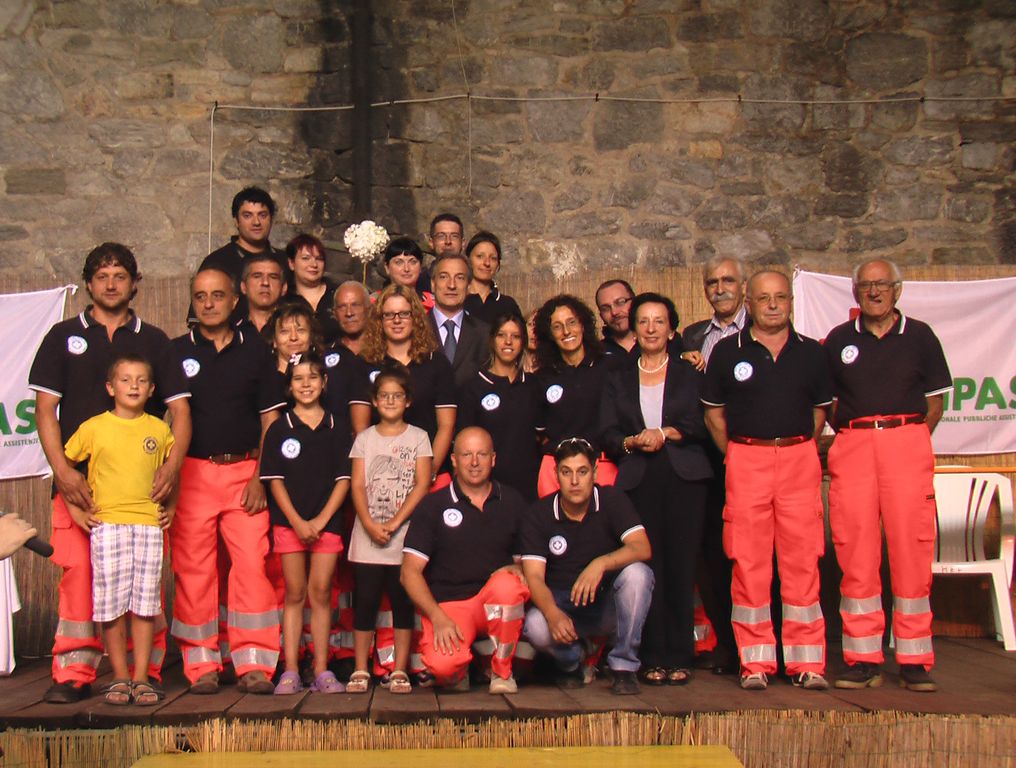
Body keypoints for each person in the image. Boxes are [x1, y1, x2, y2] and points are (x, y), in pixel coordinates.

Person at [29, 242, 191, 704]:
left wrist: (172, 471)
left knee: (143, 587)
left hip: (138, 494)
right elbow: (45, 410)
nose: (111, 284)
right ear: (88, 283)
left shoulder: (154, 340)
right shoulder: (62, 336)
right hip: (80, 489)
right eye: (102, 276)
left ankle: (145, 673)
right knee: (80, 577)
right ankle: (75, 672)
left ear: (134, 283)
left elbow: (181, 413)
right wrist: (63, 474)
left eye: (120, 275)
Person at [824, 259, 952, 693]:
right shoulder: (839, 339)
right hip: (855, 445)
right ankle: (863, 658)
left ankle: (914, 659)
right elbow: (830, 403)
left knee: (911, 550)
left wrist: (905, 436)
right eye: (866, 285)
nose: (874, 292)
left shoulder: (920, 336)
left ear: (897, 290)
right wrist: (860, 434)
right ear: (855, 292)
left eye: (882, 285)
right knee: (855, 550)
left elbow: (934, 403)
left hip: (906, 443)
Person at [702, 270, 832, 692]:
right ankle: (754, 662)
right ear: (749, 304)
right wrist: (738, 454)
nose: (773, 305)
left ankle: (806, 662)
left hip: (797, 458)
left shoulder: (812, 353)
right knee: (748, 562)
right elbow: (713, 416)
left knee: (802, 562)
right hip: (746, 459)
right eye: (763, 298)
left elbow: (819, 413)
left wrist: (793, 447)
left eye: (780, 297)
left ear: (790, 301)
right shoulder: (726, 352)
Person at [170, 267, 285, 695]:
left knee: (252, 567)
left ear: (235, 300)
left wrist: (259, 477)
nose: (209, 303)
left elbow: (271, 421)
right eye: (200, 296)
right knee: (194, 570)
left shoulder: (256, 351)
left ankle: (254, 662)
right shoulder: (174, 352)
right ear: (192, 301)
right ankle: (201, 663)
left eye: (217, 295)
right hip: (193, 474)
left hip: (244, 474)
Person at [600, 293, 713, 686]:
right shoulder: (616, 376)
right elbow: (607, 432)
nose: (650, 329)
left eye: (658, 321)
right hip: (638, 477)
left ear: (671, 329)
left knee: (681, 565)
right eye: (643, 321)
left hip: (685, 479)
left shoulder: (689, 372)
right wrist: (631, 441)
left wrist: (665, 432)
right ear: (634, 328)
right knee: (646, 566)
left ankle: (680, 655)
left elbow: (701, 424)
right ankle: (649, 655)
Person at [62, 354, 175, 706]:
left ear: (152, 389)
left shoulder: (160, 430)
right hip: (107, 524)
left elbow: (172, 474)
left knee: (144, 605)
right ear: (111, 388)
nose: (134, 386)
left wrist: (170, 508)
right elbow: (64, 470)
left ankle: (141, 677)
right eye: (125, 380)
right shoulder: (93, 428)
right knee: (111, 606)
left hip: (148, 525)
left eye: (141, 380)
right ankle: (120, 677)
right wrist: (75, 510)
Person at [401, 427, 530, 694]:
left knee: (509, 585)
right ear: (454, 460)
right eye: (466, 454)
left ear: (493, 459)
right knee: (443, 667)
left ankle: (502, 672)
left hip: (494, 602)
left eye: (481, 454)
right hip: (451, 607)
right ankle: (465, 666)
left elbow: (531, 566)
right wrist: (437, 616)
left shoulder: (513, 501)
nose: (474, 462)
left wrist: (517, 568)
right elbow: (409, 573)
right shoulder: (432, 505)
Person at [521, 438, 653, 695]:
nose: (574, 481)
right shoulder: (539, 513)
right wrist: (552, 613)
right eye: (566, 472)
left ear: (594, 472)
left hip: (605, 605)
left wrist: (600, 563)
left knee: (639, 574)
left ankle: (623, 667)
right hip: (563, 604)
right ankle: (574, 661)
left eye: (582, 472)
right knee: (535, 625)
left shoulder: (612, 499)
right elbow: (534, 577)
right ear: (556, 474)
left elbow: (642, 547)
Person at [260, 352, 351, 695]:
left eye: (313, 377)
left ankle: (323, 669)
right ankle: (291, 670)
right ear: (289, 386)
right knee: (295, 593)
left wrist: (321, 520)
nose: (306, 384)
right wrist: (298, 522)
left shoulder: (338, 426)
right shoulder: (279, 428)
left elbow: (344, 479)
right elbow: (274, 481)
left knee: (321, 592)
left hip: (328, 523)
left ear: (324, 382)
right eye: (298, 378)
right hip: (290, 524)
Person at [679, 256, 749, 675]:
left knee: (753, 554)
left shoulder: (759, 333)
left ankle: (761, 643)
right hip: (705, 462)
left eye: (728, 281)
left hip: (750, 456)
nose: (719, 288)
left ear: (743, 286)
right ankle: (726, 643)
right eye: (712, 282)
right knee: (711, 556)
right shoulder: (692, 336)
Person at [347, 365, 432, 694]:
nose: (391, 401)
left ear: (408, 400)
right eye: (384, 396)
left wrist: (395, 523)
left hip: (404, 536)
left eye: (397, 396)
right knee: (366, 601)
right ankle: (360, 668)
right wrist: (369, 523)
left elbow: (422, 483)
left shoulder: (419, 437)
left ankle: (399, 669)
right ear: (374, 401)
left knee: (402, 602)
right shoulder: (365, 439)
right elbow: (357, 484)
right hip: (367, 536)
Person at [354, 285, 456, 483]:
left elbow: (446, 426)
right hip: (380, 474)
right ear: (379, 320)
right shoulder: (365, 363)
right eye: (389, 315)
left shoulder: (436, 363)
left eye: (404, 313)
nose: (397, 320)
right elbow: (361, 428)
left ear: (415, 317)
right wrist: (378, 471)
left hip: (430, 474)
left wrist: (428, 473)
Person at [533, 295, 617, 496]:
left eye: (572, 322)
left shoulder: (610, 367)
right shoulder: (543, 377)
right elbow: (539, 433)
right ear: (549, 334)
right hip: (555, 468)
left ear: (583, 325)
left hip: (602, 464)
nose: (566, 331)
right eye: (557, 327)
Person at [456, 313, 540, 501]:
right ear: (492, 340)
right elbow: (463, 441)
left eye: (515, 336)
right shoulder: (473, 387)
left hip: (527, 486)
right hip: (486, 487)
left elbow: (540, 436)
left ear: (523, 342)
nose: (508, 341)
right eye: (501, 335)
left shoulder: (533, 385)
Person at [195, 186, 287, 325]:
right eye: (247, 215)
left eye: (262, 215)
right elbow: (200, 314)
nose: (256, 222)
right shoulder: (217, 262)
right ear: (236, 221)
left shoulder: (285, 260)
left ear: (271, 219)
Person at [428, 252, 490, 389]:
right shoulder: (415, 329)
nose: (451, 285)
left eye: (460, 278)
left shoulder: (485, 333)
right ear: (432, 284)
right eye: (444, 277)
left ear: (469, 286)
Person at [286, 234, 341, 344]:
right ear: (291, 263)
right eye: (305, 258)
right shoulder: (285, 301)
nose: (314, 264)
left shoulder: (338, 295)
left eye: (319, 259)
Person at [463, 232, 522, 326]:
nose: (487, 263)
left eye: (493, 258)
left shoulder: (508, 305)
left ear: (498, 265)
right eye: (480, 256)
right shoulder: (457, 300)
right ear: (467, 259)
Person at [377, 238, 435, 311]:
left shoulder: (434, 304)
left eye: (413, 262)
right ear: (387, 267)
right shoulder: (374, 303)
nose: (406, 269)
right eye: (399, 262)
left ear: (420, 266)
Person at [239, 253, 288, 334]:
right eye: (257, 276)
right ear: (243, 287)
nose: (265, 282)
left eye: (273, 277)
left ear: (284, 288)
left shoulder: (295, 333)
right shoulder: (233, 332)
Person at [595, 280, 636, 357]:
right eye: (605, 308)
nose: (614, 312)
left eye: (620, 302)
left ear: (634, 302)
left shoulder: (654, 342)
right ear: (601, 316)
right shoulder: (598, 354)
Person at [333, 280, 370, 357]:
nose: (349, 313)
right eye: (342, 307)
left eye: (355, 305)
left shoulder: (385, 351)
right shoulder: (326, 355)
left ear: (369, 309)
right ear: (335, 313)